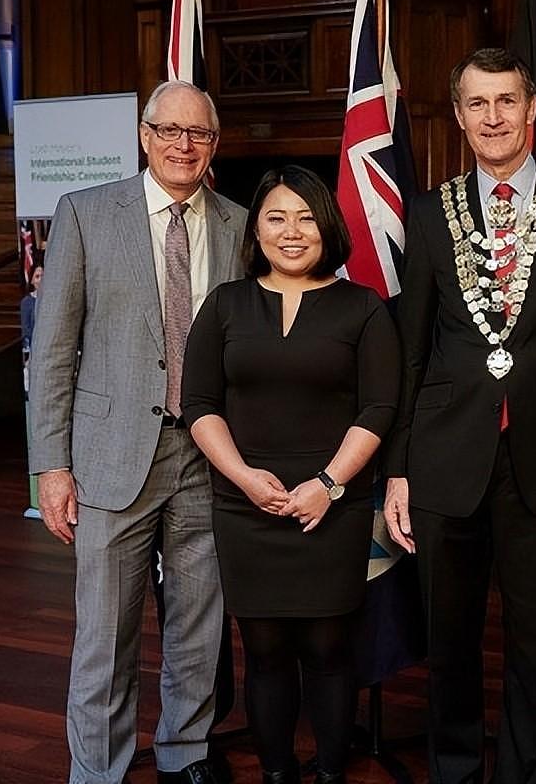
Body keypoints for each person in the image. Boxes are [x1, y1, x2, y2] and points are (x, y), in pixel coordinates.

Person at [382, 47, 536, 784]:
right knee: (449, 641)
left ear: (532, 109)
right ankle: (454, 770)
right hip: (444, 461)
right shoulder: (427, 213)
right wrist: (396, 469)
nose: (494, 117)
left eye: (507, 101)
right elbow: (410, 354)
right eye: (478, 104)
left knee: (532, 639)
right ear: (458, 117)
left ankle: (525, 772)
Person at [27, 80, 246, 784]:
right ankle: (98, 771)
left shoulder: (240, 225)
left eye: (200, 134)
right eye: (170, 130)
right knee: (104, 638)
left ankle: (185, 755)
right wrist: (51, 468)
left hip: (206, 455)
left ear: (215, 144)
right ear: (145, 136)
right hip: (111, 459)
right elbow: (55, 350)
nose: (184, 145)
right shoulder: (87, 214)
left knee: (198, 627)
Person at [181, 165, 399, 784]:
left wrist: (328, 486)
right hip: (244, 504)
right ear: (257, 229)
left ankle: (330, 772)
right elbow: (199, 404)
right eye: (277, 217)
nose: (292, 231)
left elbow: (379, 407)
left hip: (333, 505)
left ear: (327, 227)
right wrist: (245, 477)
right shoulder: (224, 305)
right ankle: (277, 774)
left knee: (329, 651)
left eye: (306, 217)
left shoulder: (363, 308)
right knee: (266, 652)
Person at [20, 262, 43, 354]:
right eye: (37, 277)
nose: (41, 280)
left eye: (43, 276)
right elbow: (26, 329)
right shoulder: (27, 302)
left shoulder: (52, 299)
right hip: (34, 347)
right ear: (32, 280)